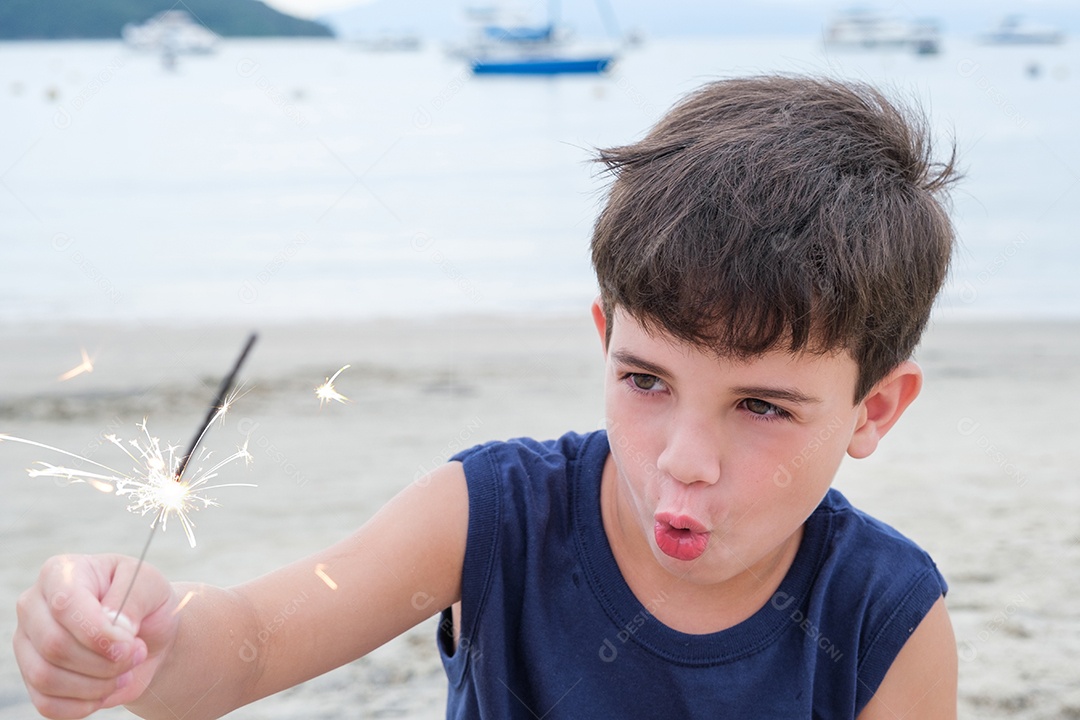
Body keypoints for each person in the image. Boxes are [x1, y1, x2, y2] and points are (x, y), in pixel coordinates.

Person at [13, 74, 960, 719]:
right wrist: (149, 642)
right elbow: (252, 642)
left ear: (873, 409)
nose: (683, 458)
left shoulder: (883, 617)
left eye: (761, 407)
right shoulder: (493, 516)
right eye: (645, 380)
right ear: (605, 339)